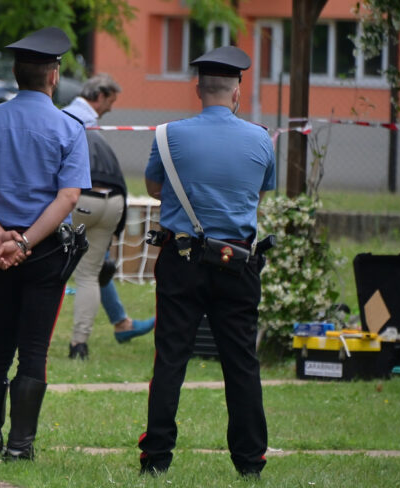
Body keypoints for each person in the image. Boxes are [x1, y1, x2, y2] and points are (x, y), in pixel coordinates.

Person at [138, 45, 276, 478]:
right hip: (238, 261)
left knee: (171, 359)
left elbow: (156, 188)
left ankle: (156, 458)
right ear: (238, 91)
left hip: (181, 260)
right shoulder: (261, 138)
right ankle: (250, 462)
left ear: (198, 89)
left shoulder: (166, 134)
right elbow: (259, 193)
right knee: (241, 364)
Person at [0, 27, 90, 461]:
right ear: (53, 76)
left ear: (16, 73)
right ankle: (19, 447)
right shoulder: (70, 129)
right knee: (34, 348)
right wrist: (26, 242)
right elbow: (68, 197)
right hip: (45, 253)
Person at [62, 74, 155, 360]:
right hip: (114, 200)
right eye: (111, 101)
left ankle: (119, 323)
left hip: (80, 199)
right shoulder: (83, 119)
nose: (112, 109)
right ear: (99, 95)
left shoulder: (66, 117)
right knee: (92, 273)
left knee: (61, 271)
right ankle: (84, 342)